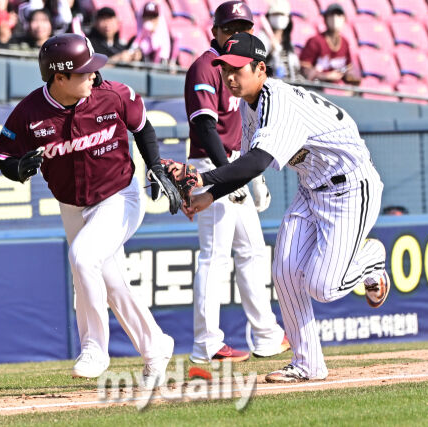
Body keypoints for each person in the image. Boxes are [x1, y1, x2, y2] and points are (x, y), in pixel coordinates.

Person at [180, 32, 390, 382]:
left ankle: (372, 260)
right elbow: (246, 166)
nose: (229, 77)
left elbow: (257, 163)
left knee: (323, 287)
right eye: (225, 69)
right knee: (285, 272)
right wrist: (209, 196)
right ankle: (308, 364)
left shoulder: (278, 102)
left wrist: (202, 179)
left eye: (237, 69)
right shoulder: (250, 105)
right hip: (312, 188)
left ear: (261, 69)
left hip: (352, 187)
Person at [0, 34, 180, 388]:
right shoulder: (30, 112)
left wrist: (155, 166)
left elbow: (142, 127)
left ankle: (94, 347)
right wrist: (17, 168)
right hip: (71, 204)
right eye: (84, 71)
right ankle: (156, 346)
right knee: (112, 281)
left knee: (82, 258)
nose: (94, 75)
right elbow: (5, 154)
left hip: (119, 196)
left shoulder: (113, 95)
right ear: (59, 77)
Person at [184, 0, 288, 364]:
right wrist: (228, 175)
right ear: (214, 31)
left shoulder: (243, 68)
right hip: (209, 164)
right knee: (215, 255)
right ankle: (206, 343)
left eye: (243, 28)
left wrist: (249, 173)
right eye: (229, 28)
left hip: (233, 163)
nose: (236, 33)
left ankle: (267, 335)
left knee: (253, 251)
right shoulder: (206, 65)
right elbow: (205, 127)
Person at [299, 3, 359, 85]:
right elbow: (304, 72)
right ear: (325, 19)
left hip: (337, 88)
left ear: (344, 19)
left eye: (339, 15)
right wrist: (326, 76)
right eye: (331, 15)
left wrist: (351, 77)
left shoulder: (345, 42)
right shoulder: (315, 41)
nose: (335, 19)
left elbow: (348, 69)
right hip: (316, 88)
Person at [257, 0, 300, 81]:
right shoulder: (262, 38)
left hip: (289, 84)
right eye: (275, 14)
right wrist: (271, 52)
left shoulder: (288, 42)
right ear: (269, 16)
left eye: (282, 14)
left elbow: (295, 68)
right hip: (270, 83)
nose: (279, 17)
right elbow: (257, 65)